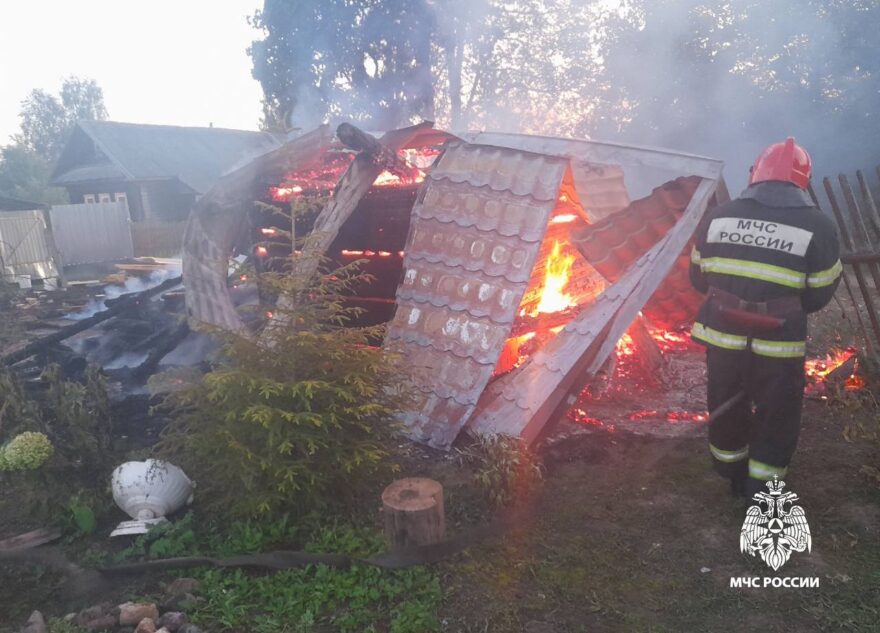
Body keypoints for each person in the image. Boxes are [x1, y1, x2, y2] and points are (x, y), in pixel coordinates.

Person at [689, 138, 842, 497]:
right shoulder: (819, 226)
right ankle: (763, 483)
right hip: (779, 341)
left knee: (726, 400)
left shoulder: (719, 216)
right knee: (778, 411)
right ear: (802, 180)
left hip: (723, 334)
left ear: (755, 174)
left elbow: (698, 277)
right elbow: (819, 292)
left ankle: (731, 472)